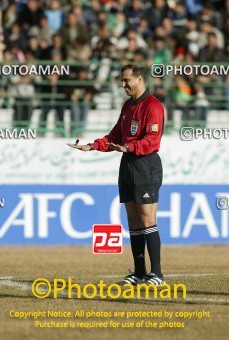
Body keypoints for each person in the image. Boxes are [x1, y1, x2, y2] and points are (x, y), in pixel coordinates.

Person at [68, 64, 166, 286]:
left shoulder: (153, 106)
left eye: (126, 80)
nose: (123, 85)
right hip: (128, 165)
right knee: (133, 221)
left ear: (140, 79)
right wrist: (92, 146)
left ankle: (157, 274)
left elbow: (152, 141)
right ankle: (140, 273)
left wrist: (129, 148)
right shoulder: (127, 106)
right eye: (122, 81)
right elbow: (115, 136)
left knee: (147, 219)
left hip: (146, 165)